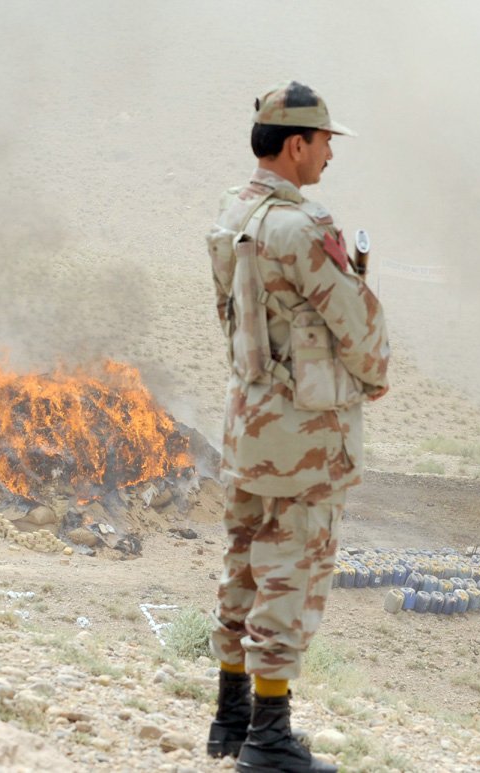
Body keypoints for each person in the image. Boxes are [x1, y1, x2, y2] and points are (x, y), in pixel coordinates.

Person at [205, 81, 391, 773]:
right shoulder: (301, 225)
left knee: (243, 561)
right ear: (295, 145)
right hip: (305, 431)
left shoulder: (234, 212)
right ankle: (269, 733)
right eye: (324, 142)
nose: (329, 155)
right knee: (293, 568)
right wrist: (374, 374)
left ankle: (229, 716)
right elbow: (354, 318)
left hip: (248, 418)